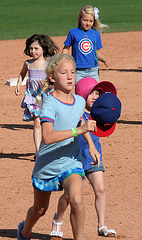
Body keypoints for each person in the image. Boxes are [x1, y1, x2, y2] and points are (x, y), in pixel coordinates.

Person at [17, 54, 101, 240]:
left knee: (77, 200)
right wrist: (77, 132)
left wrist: (90, 145)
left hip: (71, 162)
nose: (70, 77)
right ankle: (25, 231)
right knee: (40, 210)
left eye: (72, 72)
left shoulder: (79, 101)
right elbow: (47, 137)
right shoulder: (49, 104)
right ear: (53, 77)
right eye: (64, 73)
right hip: (47, 164)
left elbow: (79, 120)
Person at [50, 77, 117, 238]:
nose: (96, 97)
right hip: (74, 158)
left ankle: (101, 225)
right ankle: (57, 219)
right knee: (68, 195)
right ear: (82, 94)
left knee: (100, 188)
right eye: (92, 93)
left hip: (93, 157)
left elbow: (110, 120)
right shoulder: (75, 111)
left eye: (98, 94)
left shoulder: (99, 113)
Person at [15, 34, 59, 159]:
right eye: (31, 48)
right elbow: (22, 74)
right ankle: (38, 151)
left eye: (36, 48)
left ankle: (52, 147)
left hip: (48, 96)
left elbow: (55, 78)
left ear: (43, 49)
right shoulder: (28, 63)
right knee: (37, 123)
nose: (33, 51)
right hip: (34, 97)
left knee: (50, 123)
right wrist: (18, 84)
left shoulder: (48, 64)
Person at [62, 5, 108, 84]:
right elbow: (66, 48)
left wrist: (103, 59)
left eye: (91, 21)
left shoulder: (96, 34)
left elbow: (97, 52)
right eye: (85, 20)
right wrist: (63, 60)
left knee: (93, 92)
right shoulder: (73, 32)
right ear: (80, 19)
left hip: (93, 70)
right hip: (78, 70)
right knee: (81, 93)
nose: (88, 23)